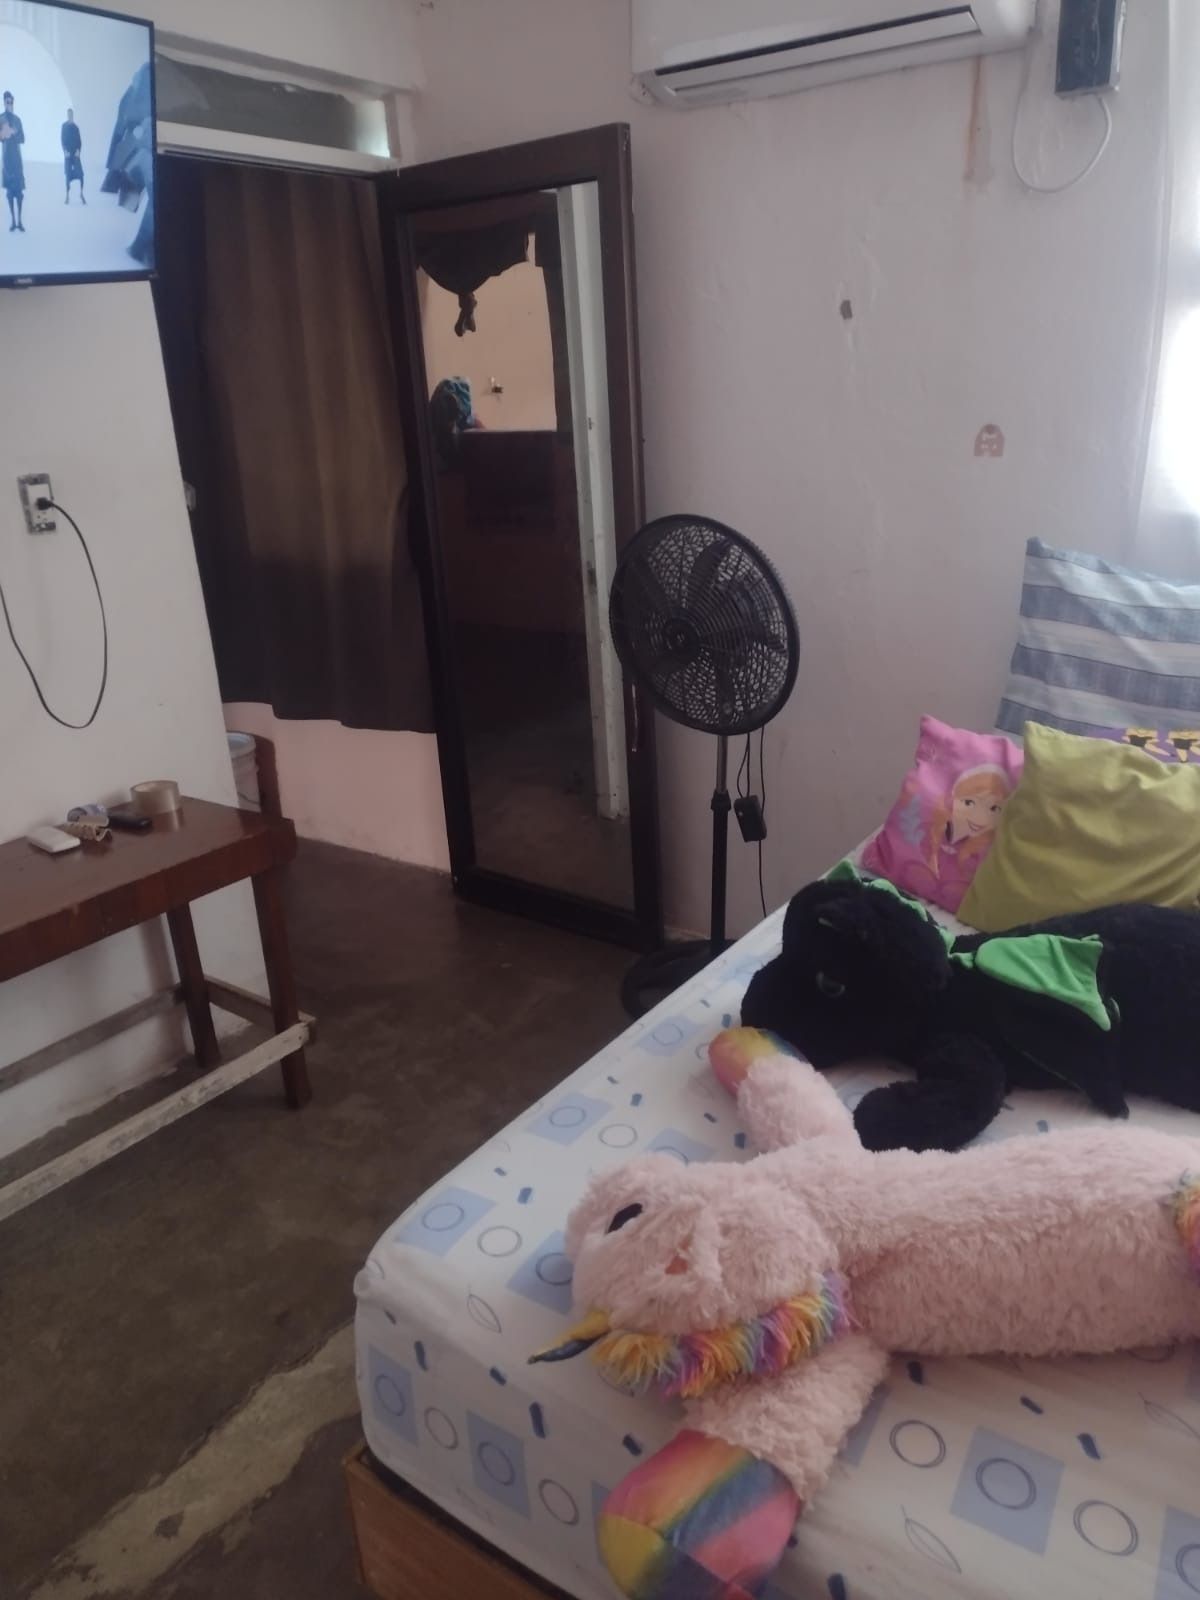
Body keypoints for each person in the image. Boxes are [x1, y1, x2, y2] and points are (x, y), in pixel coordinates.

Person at [0, 91, 26, 233]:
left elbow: (23, 139)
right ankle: (13, 221)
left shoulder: (17, 120)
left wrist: (14, 133)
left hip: (17, 160)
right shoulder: (0, 119)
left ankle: (20, 221)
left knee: (19, 193)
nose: (9, 104)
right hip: (7, 160)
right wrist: (3, 134)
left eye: (11, 102)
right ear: (4, 103)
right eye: (7, 102)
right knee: (10, 193)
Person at [62, 108, 85, 205]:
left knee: (80, 173)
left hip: (75, 153)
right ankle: (67, 195)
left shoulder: (76, 128)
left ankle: (81, 193)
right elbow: (62, 140)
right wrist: (65, 151)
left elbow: (79, 141)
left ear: (73, 115)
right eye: (68, 115)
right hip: (68, 154)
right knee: (68, 174)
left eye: (71, 115)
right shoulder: (64, 126)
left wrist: (78, 151)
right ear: (67, 115)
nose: (70, 116)